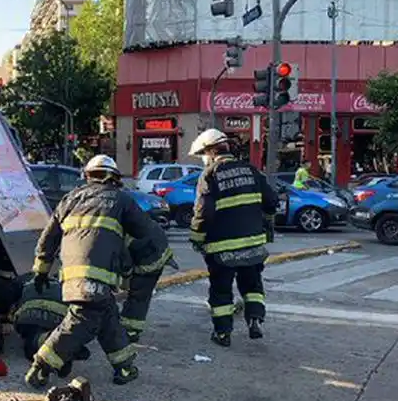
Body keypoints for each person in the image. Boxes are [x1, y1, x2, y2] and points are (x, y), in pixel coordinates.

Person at [26, 154, 162, 389]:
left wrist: (41, 270)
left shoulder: (70, 199)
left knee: (108, 316)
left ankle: (124, 366)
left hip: (71, 274)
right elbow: (144, 231)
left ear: (87, 176)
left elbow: (48, 237)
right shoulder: (121, 199)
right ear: (114, 178)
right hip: (97, 274)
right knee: (81, 320)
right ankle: (41, 366)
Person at [188, 129, 279, 347]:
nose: (203, 159)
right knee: (252, 284)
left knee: (221, 289)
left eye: (203, 155)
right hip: (254, 244)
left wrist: (196, 237)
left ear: (211, 152)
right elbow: (271, 202)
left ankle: (222, 333)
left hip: (222, 248)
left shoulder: (210, 175)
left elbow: (203, 211)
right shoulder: (251, 170)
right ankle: (255, 319)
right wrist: (264, 224)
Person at [11, 274, 91, 375]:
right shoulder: (66, 283)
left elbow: (9, 294)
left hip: (30, 314)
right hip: (59, 317)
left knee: (30, 345)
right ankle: (64, 347)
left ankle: (48, 339)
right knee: (55, 331)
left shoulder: (24, 279)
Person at [119, 229, 177, 344]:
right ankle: (130, 327)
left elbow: (126, 265)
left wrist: (125, 282)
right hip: (159, 248)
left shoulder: (117, 236)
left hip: (149, 260)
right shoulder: (128, 221)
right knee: (141, 295)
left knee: (138, 296)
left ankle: (130, 331)